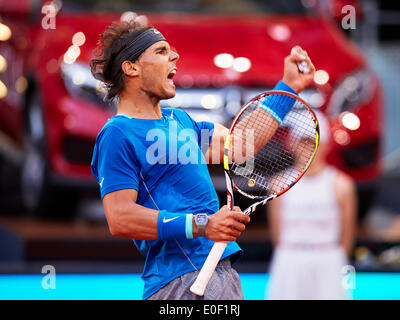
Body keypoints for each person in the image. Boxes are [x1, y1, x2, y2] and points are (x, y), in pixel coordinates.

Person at [90, 20, 315, 300]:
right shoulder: (117, 133)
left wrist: (289, 87)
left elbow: (242, 145)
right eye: (161, 51)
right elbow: (120, 218)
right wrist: (203, 224)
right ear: (131, 67)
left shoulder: (181, 121)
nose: (174, 56)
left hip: (221, 273)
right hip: (178, 282)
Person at [266, 111, 357, 300]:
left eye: (314, 142)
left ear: (326, 144)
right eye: (303, 142)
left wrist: (331, 263)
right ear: (293, 144)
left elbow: (347, 237)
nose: (309, 148)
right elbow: (277, 235)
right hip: (289, 261)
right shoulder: (278, 184)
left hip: (329, 262)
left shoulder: (342, 185)